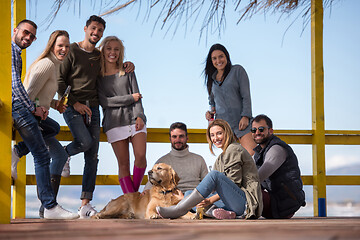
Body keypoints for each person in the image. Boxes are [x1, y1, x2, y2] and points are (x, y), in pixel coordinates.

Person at [57, 15, 134, 218]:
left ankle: (85, 204)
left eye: (100, 30)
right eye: (93, 29)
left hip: (94, 108)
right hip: (73, 107)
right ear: (85, 29)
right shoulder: (72, 50)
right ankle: (63, 153)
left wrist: (127, 65)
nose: (96, 33)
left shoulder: (100, 55)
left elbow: (113, 64)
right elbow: (59, 82)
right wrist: (75, 103)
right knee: (84, 142)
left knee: (92, 156)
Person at [11, 19, 78, 219]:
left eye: (67, 46)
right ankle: (50, 207)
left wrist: (53, 105)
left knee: (53, 128)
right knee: (42, 155)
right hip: (23, 111)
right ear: (51, 45)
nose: (64, 49)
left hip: (31, 111)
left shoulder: (54, 65)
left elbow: (38, 95)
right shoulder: (46, 64)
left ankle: (17, 151)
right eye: (60, 45)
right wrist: (35, 109)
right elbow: (26, 93)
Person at [156, 119, 262, 220]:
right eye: (212, 135)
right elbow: (213, 188)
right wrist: (191, 199)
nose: (216, 138)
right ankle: (216, 212)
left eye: (219, 133)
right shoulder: (221, 157)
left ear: (227, 133)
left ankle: (180, 209)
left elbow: (234, 183)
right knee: (189, 194)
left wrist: (210, 199)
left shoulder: (234, 149)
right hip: (231, 202)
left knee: (214, 175)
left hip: (246, 204)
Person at [97, 36, 146, 193]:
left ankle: (133, 198)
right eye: (109, 48)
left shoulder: (128, 70)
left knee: (140, 157)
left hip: (134, 118)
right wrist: (129, 98)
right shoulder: (97, 75)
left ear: (121, 52)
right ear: (103, 50)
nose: (113, 52)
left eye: (116, 49)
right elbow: (105, 102)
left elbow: (137, 93)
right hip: (113, 122)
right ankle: (132, 202)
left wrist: (140, 116)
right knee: (123, 164)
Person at [204, 43, 256, 156]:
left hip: (242, 124)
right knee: (232, 161)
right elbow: (212, 102)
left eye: (221, 56)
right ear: (211, 61)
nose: (218, 60)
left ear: (226, 56)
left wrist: (246, 116)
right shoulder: (211, 80)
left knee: (251, 157)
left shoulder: (237, 70)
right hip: (225, 127)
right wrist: (210, 112)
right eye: (214, 58)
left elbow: (246, 95)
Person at [251, 114, 306, 219]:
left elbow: (256, 178)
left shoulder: (276, 149)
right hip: (275, 203)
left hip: (283, 206)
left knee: (246, 189)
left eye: (261, 129)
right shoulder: (259, 153)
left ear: (270, 131)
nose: (257, 133)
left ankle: (231, 211)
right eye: (254, 130)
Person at [143, 122, 208, 194]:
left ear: (187, 138)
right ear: (170, 138)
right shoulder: (162, 162)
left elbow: (207, 185)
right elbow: (151, 182)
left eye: (181, 136)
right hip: (171, 198)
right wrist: (146, 191)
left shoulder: (199, 159)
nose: (177, 140)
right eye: (174, 137)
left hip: (194, 198)